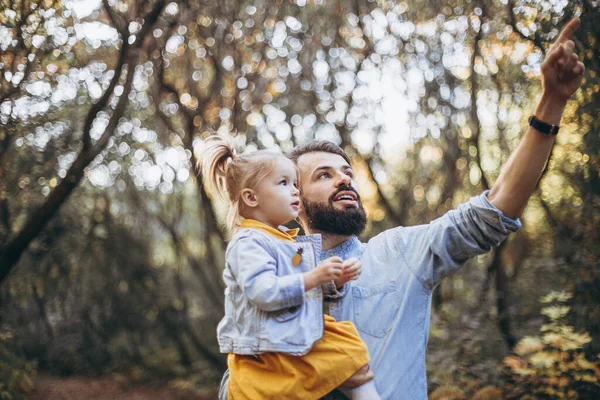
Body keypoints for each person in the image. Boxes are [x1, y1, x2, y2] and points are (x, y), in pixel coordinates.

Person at [217, 17, 586, 400]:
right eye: (323, 176)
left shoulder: (400, 252)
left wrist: (551, 104)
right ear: (296, 200)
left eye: (347, 173)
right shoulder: (267, 273)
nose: (344, 180)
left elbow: (493, 210)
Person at [200, 136, 381, 400]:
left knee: (349, 349)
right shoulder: (249, 243)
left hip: (287, 330)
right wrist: (315, 276)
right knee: (347, 353)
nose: (295, 191)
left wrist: (332, 281)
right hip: (267, 341)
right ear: (251, 198)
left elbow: (294, 281)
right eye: (284, 183)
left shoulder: (282, 238)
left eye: (296, 184)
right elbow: (264, 292)